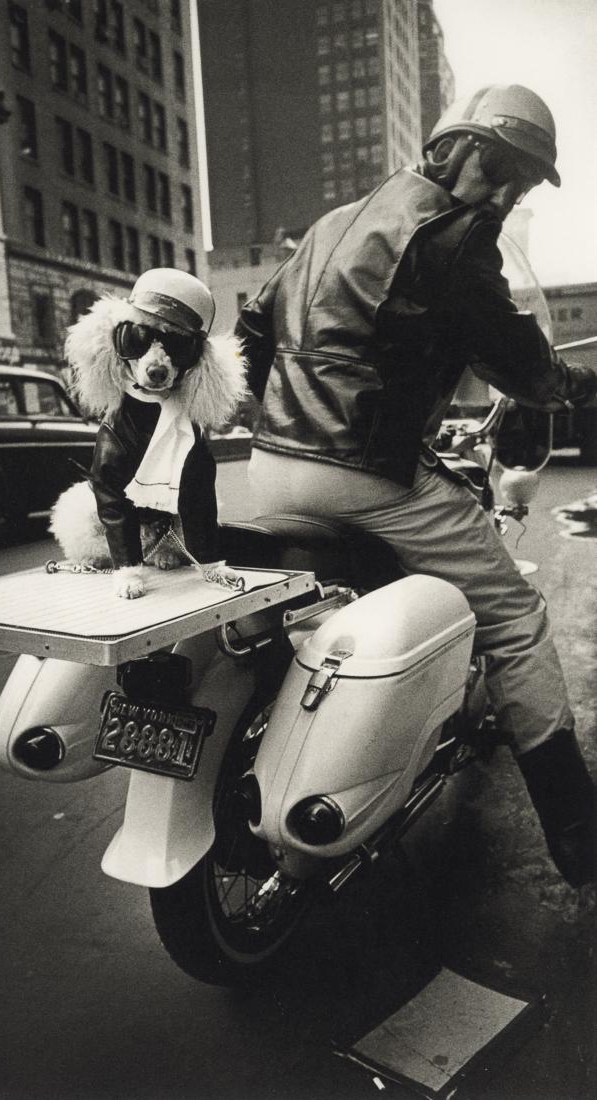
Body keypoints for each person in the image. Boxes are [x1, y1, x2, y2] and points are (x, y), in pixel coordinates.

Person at [235, 84, 597, 887]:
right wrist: (572, 384)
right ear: (457, 149)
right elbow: (517, 363)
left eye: (523, 184)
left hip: (269, 466)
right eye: (503, 170)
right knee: (513, 617)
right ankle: (577, 836)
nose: (507, 194)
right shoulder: (453, 237)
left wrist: (283, 413)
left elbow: (251, 334)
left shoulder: (332, 225)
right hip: (361, 468)